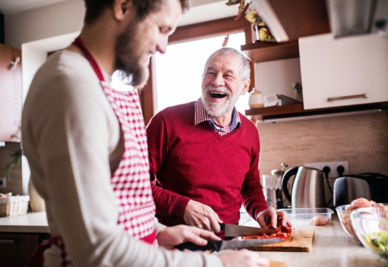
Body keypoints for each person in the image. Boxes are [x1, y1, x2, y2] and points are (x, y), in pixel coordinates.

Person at [21, 1, 270, 266]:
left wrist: (158, 232)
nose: (162, 47)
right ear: (123, 6)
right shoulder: (71, 86)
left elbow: (116, 204)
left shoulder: (91, 82)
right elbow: (97, 250)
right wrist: (217, 264)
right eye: (162, 28)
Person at [147, 47, 289, 233]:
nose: (216, 81)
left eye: (228, 76)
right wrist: (182, 206)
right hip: (175, 246)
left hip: (229, 242)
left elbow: (250, 187)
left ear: (245, 86)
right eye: (210, 73)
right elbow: (135, 184)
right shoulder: (165, 122)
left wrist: (261, 211)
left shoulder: (250, 132)